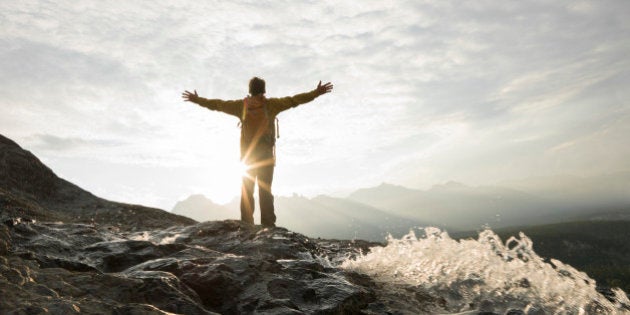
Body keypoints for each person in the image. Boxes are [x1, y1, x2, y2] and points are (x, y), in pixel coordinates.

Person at [182, 77, 333, 227]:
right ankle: (268, 225)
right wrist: (316, 92)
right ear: (264, 90)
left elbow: (218, 105)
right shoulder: (272, 105)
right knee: (265, 191)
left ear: (250, 90)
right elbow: (295, 100)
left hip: (247, 159)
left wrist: (197, 100)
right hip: (266, 157)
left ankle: (246, 224)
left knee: (247, 192)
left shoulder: (241, 106)